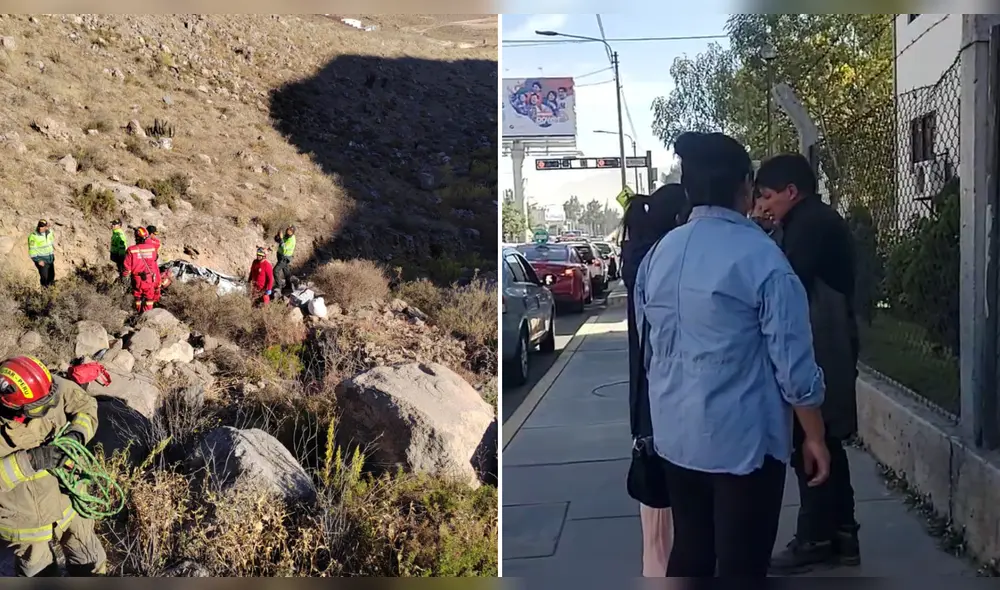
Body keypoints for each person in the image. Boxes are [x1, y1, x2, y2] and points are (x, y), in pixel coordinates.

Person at [634, 131, 829, 578]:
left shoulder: (660, 254)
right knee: (743, 563)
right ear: (744, 186)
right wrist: (814, 436)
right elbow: (794, 368)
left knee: (692, 553)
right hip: (743, 444)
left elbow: (651, 347)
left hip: (677, 438)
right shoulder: (763, 259)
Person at [755, 153, 861, 574]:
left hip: (825, 345)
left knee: (811, 442)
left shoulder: (809, 225)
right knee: (827, 440)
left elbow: (784, 281)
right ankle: (842, 535)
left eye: (767, 196)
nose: (763, 204)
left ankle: (816, 537)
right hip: (829, 340)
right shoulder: (808, 221)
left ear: (791, 192)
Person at [619, 183, 690, 577]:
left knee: (655, 530)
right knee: (676, 529)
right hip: (665, 402)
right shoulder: (663, 265)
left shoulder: (639, 261)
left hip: (645, 404)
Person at [0, 355, 105, 577]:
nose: (48, 409)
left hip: (68, 499)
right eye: (39, 408)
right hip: (26, 521)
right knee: (39, 572)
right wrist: (30, 461)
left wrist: (78, 434)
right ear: (12, 406)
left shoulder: (44, 386)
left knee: (89, 559)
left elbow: (84, 404)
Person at [122, 227, 162, 314]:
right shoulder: (152, 248)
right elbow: (155, 260)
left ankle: (137, 314)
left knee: (137, 297)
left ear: (136, 237)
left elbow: (127, 266)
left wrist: (124, 277)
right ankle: (147, 317)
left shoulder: (131, 250)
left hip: (136, 279)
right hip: (149, 279)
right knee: (149, 299)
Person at [27, 220, 55, 288]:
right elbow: (32, 251)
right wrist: (38, 260)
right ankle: (44, 295)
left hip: (50, 259)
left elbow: (51, 243)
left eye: (42, 226)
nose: (40, 228)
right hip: (42, 260)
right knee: (44, 279)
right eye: (39, 226)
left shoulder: (50, 232)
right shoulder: (33, 236)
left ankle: (50, 293)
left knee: (51, 277)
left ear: (46, 227)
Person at [273, 225, 296, 294]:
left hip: (285, 258)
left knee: (275, 271)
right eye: (288, 230)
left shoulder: (292, 240)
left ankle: (279, 285)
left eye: (290, 231)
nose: (288, 231)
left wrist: (281, 238)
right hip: (280, 255)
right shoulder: (287, 235)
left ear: (292, 232)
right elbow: (278, 241)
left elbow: (284, 247)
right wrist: (278, 237)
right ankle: (288, 285)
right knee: (286, 271)